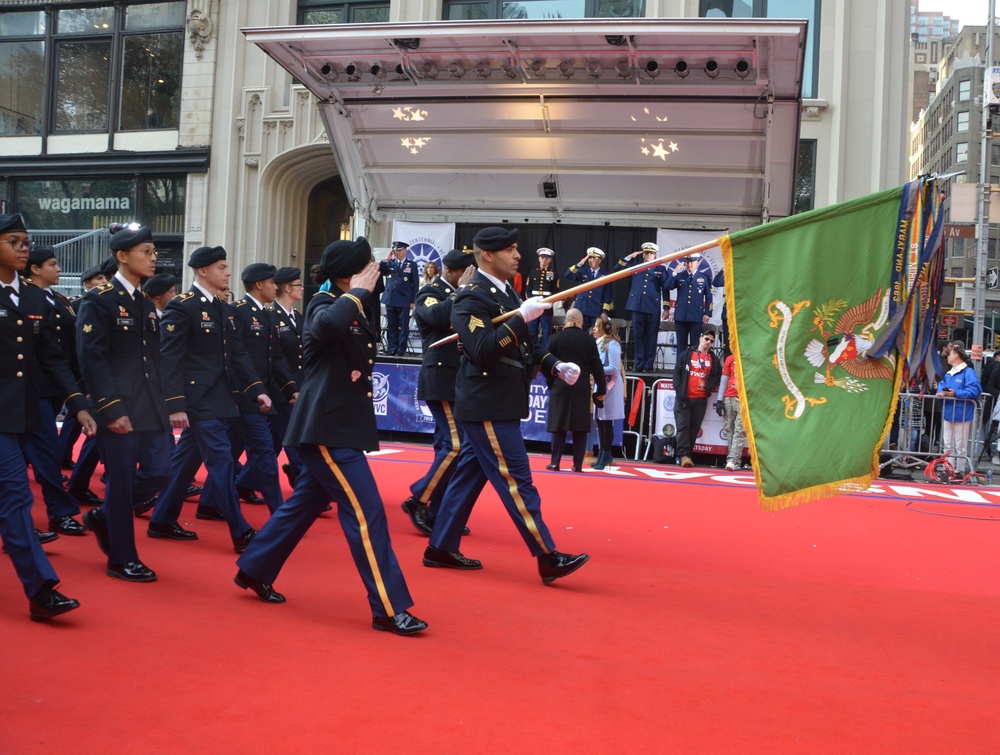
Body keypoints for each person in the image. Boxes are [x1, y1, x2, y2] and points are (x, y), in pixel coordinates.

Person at [235, 237, 427, 636]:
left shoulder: (355, 303)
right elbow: (326, 325)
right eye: (368, 265)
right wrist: (356, 292)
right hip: (326, 429)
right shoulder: (326, 304)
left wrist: (363, 293)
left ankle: (253, 568)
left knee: (303, 504)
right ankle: (388, 608)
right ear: (349, 274)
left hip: (339, 426)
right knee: (366, 513)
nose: (376, 268)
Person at [424, 226, 590, 585]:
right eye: (510, 250)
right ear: (487, 255)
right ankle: (547, 555)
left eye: (517, 249)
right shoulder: (470, 297)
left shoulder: (505, 294)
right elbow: (484, 349)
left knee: (469, 476)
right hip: (488, 403)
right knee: (518, 481)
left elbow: (523, 347)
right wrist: (521, 319)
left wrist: (554, 366)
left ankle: (440, 546)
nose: (518, 256)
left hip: (498, 400)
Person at [0, 212, 95, 620]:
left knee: (14, 497)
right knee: (16, 496)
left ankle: (40, 590)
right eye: (14, 241)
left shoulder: (37, 299)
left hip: (20, 414)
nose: (23, 248)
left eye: (25, 241)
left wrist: (78, 404)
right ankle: (41, 586)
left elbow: (52, 360)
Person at [149, 246, 270, 553]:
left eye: (227, 267)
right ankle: (240, 531)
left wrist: (256, 389)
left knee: (186, 463)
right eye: (221, 267)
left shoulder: (222, 308)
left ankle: (161, 519)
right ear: (202, 271)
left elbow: (238, 355)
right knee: (221, 462)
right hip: (197, 399)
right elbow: (169, 358)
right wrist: (175, 404)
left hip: (219, 398)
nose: (228, 272)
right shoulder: (182, 306)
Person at [76, 223, 175, 582]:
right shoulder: (99, 300)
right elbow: (93, 358)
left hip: (149, 404)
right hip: (117, 407)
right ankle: (122, 558)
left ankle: (105, 517)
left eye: (153, 251)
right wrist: (111, 409)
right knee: (119, 481)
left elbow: (153, 359)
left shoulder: (144, 302)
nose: (153, 258)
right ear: (122, 256)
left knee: (162, 469)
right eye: (145, 252)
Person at [401, 248, 476, 536]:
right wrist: (463, 292)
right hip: (440, 377)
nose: (468, 277)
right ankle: (419, 499)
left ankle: (437, 510)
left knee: (448, 447)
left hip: (457, 378)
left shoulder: (461, 292)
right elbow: (433, 315)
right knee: (456, 445)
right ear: (451, 272)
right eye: (465, 273)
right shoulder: (431, 290)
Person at [21, 245, 89, 536]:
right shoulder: (23, 297)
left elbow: (67, 349)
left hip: (52, 384)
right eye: (52, 264)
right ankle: (54, 514)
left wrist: (77, 386)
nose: (59, 268)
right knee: (43, 451)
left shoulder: (58, 299)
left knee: (35, 454)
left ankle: (30, 520)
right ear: (35, 269)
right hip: (26, 387)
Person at [230, 263, 299, 512]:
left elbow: (276, 357)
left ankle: (209, 502)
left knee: (230, 452)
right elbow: (236, 357)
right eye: (271, 282)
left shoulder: (268, 314)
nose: (275, 287)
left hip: (263, 394)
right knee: (264, 451)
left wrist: (291, 388)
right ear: (259, 284)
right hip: (244, 394)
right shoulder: (237, 311)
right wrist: (248, 390)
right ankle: (278, 510)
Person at [544, 308, 604, 472]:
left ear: (566, 320)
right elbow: (597, 367)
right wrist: (601, 390)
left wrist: (551, 383)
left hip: (560, 386)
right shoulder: (589, 341)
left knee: (558, 425)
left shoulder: (555, 338)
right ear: (580, 321)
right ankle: (577, 464)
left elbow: (547, 364)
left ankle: (555, 462)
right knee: (580, 427)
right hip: (581, 387)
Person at [272, 266, 305, 488]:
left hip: (300, 385)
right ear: (286, 288)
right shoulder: (271, 316)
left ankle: (245, 482)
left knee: (274, 442)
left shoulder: (298, 317)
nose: (302, 288)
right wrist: (290, 387)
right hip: (281, 388)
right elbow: (277, 358)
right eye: (298, 285)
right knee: (293, 440)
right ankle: (305, 483)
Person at [673, 329, 722, 468]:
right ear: (700, 338)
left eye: (711, 341)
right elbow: (677, 373)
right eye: (706, 339)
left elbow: (717, 374)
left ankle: (687, 455)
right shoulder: (687, 354)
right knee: (683, 427)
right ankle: (683, 455)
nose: (708, 343)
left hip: (700, 399)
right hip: (684, 398)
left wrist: (709, 387)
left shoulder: (713, 358)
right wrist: (679, 391)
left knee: (694, 429)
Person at [616, 242, 667, 372]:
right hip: (637, 305)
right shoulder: (635, 266)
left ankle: (648, 365)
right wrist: (629, 257)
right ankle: (639, 364)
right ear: (643, 254)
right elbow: (617, 269)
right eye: (646, 253)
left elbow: (666, 288)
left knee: (651, 336)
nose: (648, 255)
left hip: (652, 306)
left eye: (651, 253)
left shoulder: (661, 269)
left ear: (655, 255)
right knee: (638, 336)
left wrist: (666, 307)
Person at [936, 344, 982, 476]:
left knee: (960, 445)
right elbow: (942, 386)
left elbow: (974, 390)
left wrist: (955, 393)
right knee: (948, 444)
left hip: (962, 413)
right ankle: (948, 468)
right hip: (950, 411)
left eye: (950, 354)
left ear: (957, 355)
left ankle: (959, 470)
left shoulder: (968, 372)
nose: (948, 357)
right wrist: (943, 393)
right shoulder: (950, 373)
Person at [592, 317, 625, 470]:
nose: (593, 329)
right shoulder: (599, 343)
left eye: (597, 326)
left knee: (606, 422)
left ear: (605, 328)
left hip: (610, 386)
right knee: (599, 420)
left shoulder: (612, 344)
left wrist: (594, 369)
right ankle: (602, 454)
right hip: (601, 383)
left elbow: (613, 368)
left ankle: (606, 454)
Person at [666, 253, 713, 355]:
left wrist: (707, 313)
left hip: (696, 315)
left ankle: (692, 367)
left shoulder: (704, 277)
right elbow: (668, 286)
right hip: (681, 315)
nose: (690, 265)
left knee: (695, 344)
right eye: (687, 262)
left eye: (692, 262)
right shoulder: (679, 276)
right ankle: (680, 368)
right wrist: (674, 273)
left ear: (697, 263)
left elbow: (709, 297)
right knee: (681, 344)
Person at [379, 240, 418, 356]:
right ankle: (392, 347)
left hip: (404, 299)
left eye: (399, 250)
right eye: (395, 250)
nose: (396, 252)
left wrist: (413, 300)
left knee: (403, 326)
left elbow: (415, 284)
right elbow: (380, 271)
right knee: (392, 325)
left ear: (405, 251)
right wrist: (386, 259)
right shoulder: (390, 263)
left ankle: (401, 349)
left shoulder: (411, 265)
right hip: (390, 298)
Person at [564, 247, 612, 331]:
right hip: (581, 307)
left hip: (596, 308)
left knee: (594, 333)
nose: (591, 260)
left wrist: (604, 311)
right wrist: (579, 264)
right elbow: (568, 274)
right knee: (579, 332)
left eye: (594, 258)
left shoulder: (605, 275)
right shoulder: (582, 271)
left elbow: (607, 295)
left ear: (600, 260)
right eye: (590, 258)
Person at [714, 350, 747, 471]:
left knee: (740, 430)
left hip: (744, 399)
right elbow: (724, 380)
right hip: (729, 397)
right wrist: (719, 400)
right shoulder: (730, 358)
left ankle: (732, 460)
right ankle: (734, 461)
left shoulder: (751, 358)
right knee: (729, 429)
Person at [523, 247, 560, 350]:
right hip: (534, 305)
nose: (544, 260)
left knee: (546, 331)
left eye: (547, 258)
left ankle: (545, 352)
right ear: (539, 259)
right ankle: (532, 350)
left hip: (547, 307)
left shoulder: (554, 274)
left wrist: (549, 302)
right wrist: (530, 301)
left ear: (550, 260)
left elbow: (556, 291)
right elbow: (528, 289)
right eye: (542, 257)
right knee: (532, 330)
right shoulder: (532, 273)